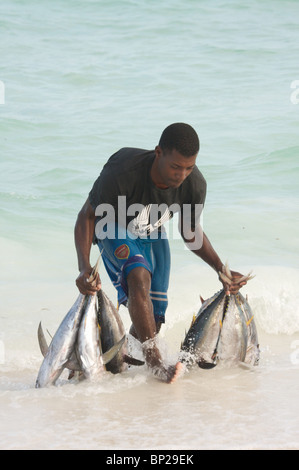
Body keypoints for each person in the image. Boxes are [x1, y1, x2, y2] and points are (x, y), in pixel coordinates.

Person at [74, 123, 247, 384]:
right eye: (176, 167)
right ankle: (156, 363)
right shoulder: (123, 171)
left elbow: (190, 233)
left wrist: (221, 269)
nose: (181, 175)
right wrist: (83, 267)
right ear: (158, 153)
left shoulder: (194, 185)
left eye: (189, 168)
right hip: (110, 225)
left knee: (153, 314)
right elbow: (87, 215)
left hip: (150, 229)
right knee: (139, 274)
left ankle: (122, 361)